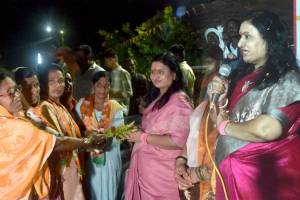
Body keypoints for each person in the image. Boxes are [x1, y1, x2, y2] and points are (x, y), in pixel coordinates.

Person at [210, 10, 300, 200]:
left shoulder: (289, 80)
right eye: (240, 37)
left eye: (247, 37)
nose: (240, 43)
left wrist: (225, 126)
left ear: (269, 39)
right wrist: (221, 102)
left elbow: (268, 129)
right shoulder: (244, 79)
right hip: (235, 181)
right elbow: (219, 122)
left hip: (268, 184)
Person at [0, 68, 104, 199]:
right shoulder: (15, 124)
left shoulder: (17, 116)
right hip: (55, 174)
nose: (17, 95)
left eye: (16, 90)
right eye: (10, 93)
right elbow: (56, 142)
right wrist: (89, 142)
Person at [125, 52, 193, 200]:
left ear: (174, 75)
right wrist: (138, 132)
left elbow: (178, 141)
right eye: (153, 72)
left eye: (161, 72)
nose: (155, 76)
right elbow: (154, 129)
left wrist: (142, 137)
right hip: (148, 173)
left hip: (163, 176)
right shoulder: (160, 97)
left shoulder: (179, 102)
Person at [175, 45, 223, 200]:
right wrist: (181, 160)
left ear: (219, 62)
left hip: (212, 169)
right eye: (204, 62)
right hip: (195, 164)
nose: (206, 66)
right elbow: (194, 132)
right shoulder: (204, 86)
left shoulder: (221, 94)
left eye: (209, 62)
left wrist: (200, 172)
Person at [37, 64, 86, 200]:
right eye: (51, 81)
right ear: (43, 83)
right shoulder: (45, 107)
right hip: (61, 171)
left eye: (60, 80)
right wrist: (87, 143)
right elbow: (58, 142)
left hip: (71, 167)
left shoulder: (61, 107)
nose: (58, 85)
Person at [75, 70, 124, 200]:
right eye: (99, 85)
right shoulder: (82, 105)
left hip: (110, 158)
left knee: (110, 191)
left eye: (107, 85)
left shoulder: (116, 108)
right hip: (91, 159)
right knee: (93, 191)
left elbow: (118, 136)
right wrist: (89, 135)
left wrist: (104, 138)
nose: (103, 89)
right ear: (93, 86)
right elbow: (77, 131)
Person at [104, 50, 133, 115]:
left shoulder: (123, 73)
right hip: (110, 111)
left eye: (106, 61)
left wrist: (112, 94)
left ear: (112, 60)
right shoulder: (108, 74)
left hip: (120, 111)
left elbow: (129, 93)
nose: (105, 64)